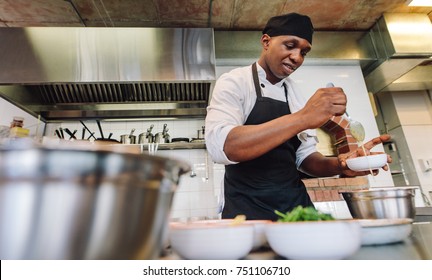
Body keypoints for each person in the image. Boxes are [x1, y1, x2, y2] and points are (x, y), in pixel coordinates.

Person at [204, 13, 392, 221]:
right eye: (290, 45)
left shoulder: (294, 95)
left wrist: (342, 165)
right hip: (246, 211)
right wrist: (304, 117)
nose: (297, 57)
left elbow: (305, 158)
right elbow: (225, 146)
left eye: (304, 51)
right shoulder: (235, 82)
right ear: (266, 42)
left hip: (295, 208)